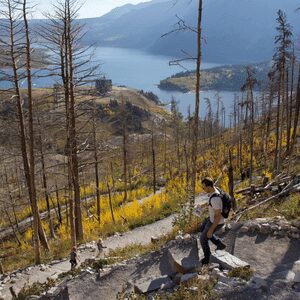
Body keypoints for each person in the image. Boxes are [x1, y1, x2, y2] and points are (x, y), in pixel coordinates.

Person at [200, 177, 226, 265]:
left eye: (204, 188)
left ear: (209, 187)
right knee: (203, 228)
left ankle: (207, 258)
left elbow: (218, 216)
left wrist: (211, 229)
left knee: (203, 238)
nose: (203, 189)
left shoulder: (215, 199)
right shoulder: (215, 191)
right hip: (211, 218)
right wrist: (203, 206)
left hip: (216, 221)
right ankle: (219, 244)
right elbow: (212, 204)